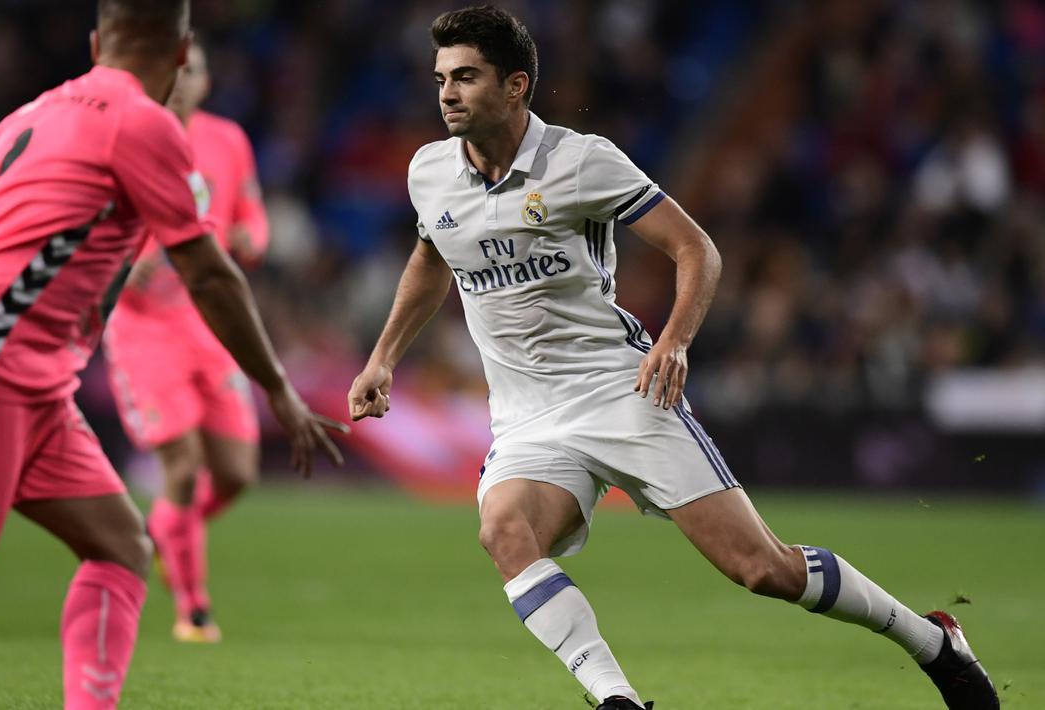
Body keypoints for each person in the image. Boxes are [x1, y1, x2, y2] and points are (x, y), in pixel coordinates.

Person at [346, 6, 998, 710]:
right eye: (441, 77)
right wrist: (382, 356)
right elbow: (431, 258)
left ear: (514, 87)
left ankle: (931, 641)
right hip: (526, 418)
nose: (446, 92)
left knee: (762, 570)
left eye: (466, 76)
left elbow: (696, 249)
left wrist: (674, 339)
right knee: (504, 532)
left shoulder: (578, 162)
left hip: (622, 392)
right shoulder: (428, 173)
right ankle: (617, 701)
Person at [0, 2, 343, 708]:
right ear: (183, 51)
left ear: (98, 42)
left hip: (27, 379)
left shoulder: (35, 114)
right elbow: (211, 272)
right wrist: (276, 388)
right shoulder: (145, 124)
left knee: (123, 547)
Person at [102, 39, 270, 644]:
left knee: (236, 473)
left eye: (191, 69)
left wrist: (252, 237)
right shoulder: (125, 137)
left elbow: (251, 211)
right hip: (144, 331)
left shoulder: (227, 139)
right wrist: (129, 262)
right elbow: (92, 226)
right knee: (183, 465)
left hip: (211, 324)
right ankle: (193, 610)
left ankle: (168, 534)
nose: (180, 78)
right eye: (171, 68)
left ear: (204, 80)